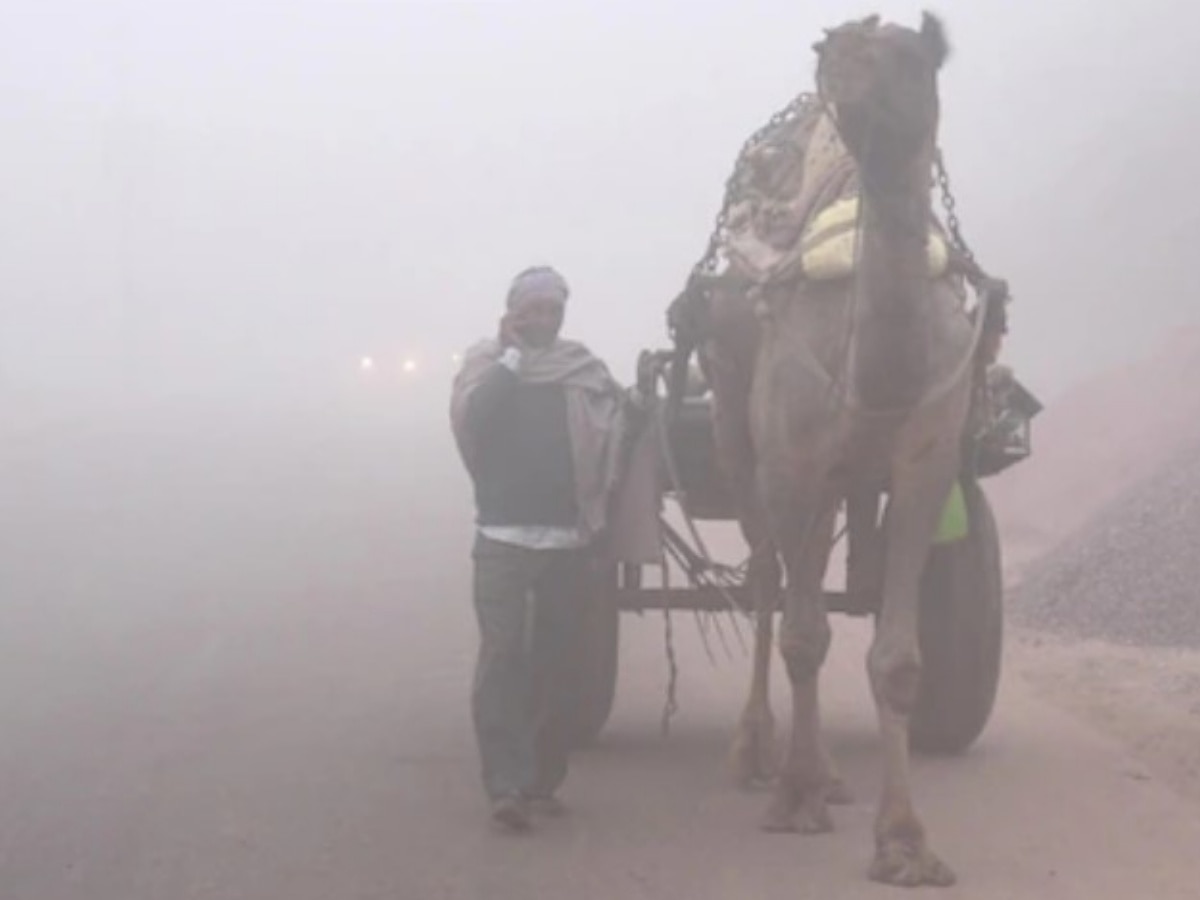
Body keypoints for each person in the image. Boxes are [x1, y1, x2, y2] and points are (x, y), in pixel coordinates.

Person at [450, 266, 628, 832]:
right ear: (513, 312)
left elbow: (615, 428)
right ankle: (504, 784)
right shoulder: (486, 368)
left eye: (553, 310)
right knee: (502, 657)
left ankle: (540, 780)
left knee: (559, 664)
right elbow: (477, 419)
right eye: (534, 310)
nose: (545, 320)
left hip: (567, 541)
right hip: (502, 539)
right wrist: (512, 355)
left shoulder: (582, 371)